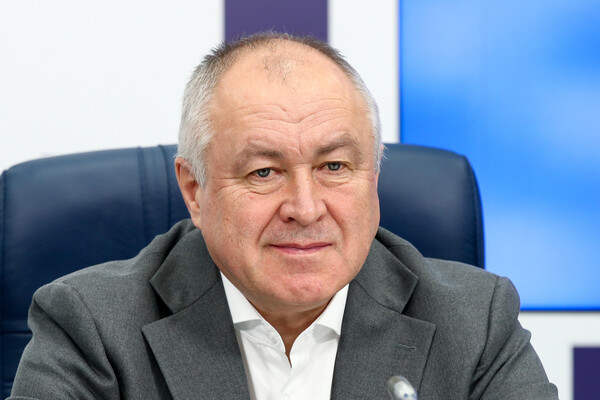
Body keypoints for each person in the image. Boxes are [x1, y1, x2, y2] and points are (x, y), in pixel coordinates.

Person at [10, 33, 558, 399]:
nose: (305, 208)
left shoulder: (475, 322)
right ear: (195, 190)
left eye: (334, 166)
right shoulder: (91, 326)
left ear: (373, 178)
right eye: (264, 172)